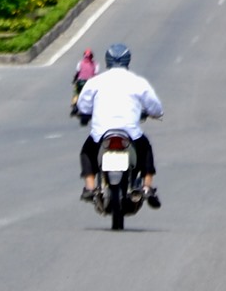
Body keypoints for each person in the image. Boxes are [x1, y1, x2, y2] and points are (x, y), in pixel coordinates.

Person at [76, 43, 163, 208]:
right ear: (127, 61)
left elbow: (83, 106)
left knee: (87, 152)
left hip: (101, 132)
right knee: (146, 150)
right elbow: (156, 108)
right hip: (130, 132)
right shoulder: (138, 82)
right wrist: (153, 113)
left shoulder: (96, 82)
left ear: (107, 61)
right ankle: (147, 187)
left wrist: (88, 112)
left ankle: (90, 187)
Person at [70, 47, 97, 116]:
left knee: (76, 93)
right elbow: (96, 74)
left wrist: (74, 80)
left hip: (80, 82)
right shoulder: (95, 64)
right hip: (90, 83)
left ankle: (74, 105)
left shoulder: (80, 63)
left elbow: (77, 72)